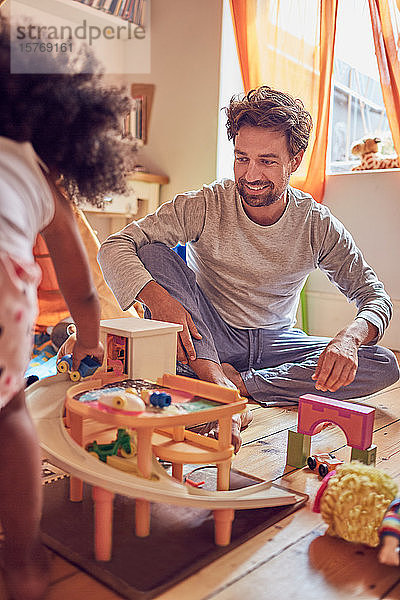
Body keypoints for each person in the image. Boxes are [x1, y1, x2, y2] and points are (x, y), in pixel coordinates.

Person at [98, 86, 399, 451]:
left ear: (295, 159)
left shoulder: (316, 223)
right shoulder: (207, 204)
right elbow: (116, 245)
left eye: (267, 161)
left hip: (277, 343)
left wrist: (348, 339)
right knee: (152, 250)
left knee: (381, 363)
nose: (251, 174)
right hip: (207, 337)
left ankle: (235, 385)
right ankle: (213, 376)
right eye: (242, 158)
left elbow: (375, 297)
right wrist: (158, 300)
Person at [0, 17, 134, 600]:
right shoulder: (38, 174)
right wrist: (89, 339)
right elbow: (81, 285)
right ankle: (24, 558)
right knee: (9, 416)